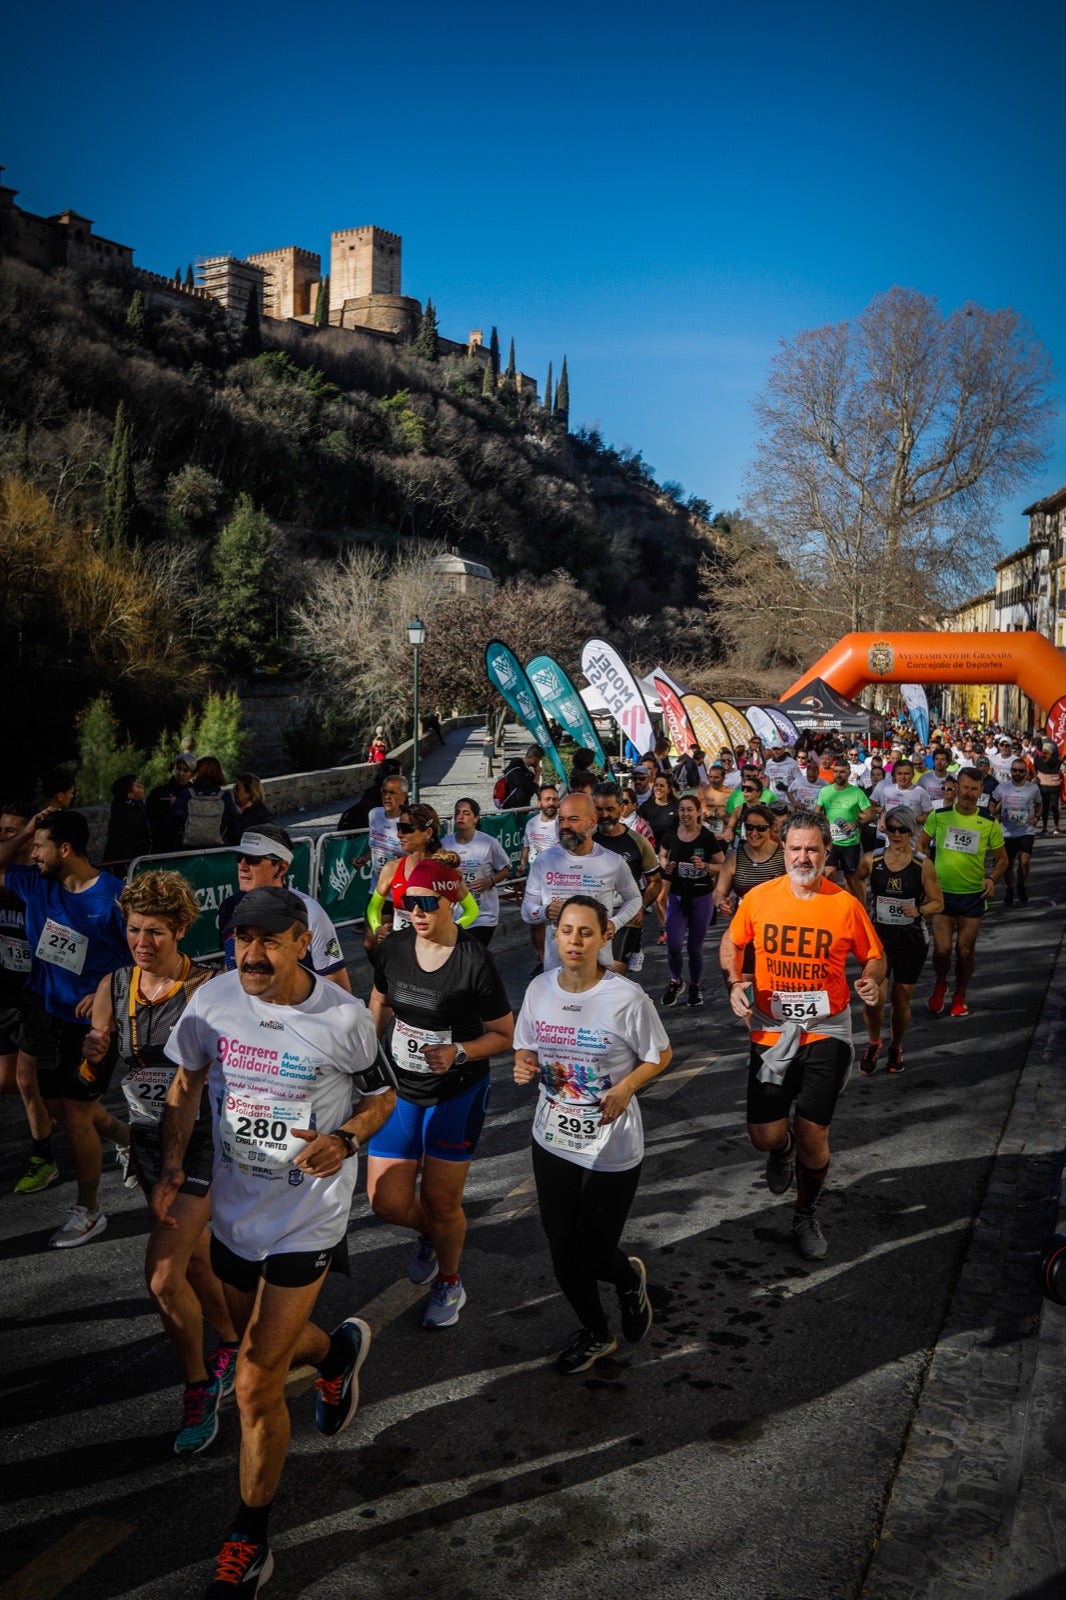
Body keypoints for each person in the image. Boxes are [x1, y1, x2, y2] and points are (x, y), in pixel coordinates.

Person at [155, 885, 395, 1598]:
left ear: (301, 942)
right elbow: (186, 1078)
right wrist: (172, 1164)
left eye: (268, 940)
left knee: (257, 1380)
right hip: (234, 1210)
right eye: (241, 939)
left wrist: (346, 1138)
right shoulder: (214, 1000)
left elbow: (382, 1097)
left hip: (306, 1214)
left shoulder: (343, 1018)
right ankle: (339, 1350)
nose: (252, 954)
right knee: (258, 1336)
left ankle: (250, 1541)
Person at [82, 870, 240, 1453]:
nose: (141, 942)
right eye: (133, 930)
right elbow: (93, 1079)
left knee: (163, 1274)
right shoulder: (113, 984)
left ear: (180, 932)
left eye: (155, 932)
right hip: (146, 1144)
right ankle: (231, 1343)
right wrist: (91, 1055)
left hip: (200, 1140)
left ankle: (199, 1387)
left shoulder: (208, 989)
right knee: (196, 1261)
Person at [513, 896, 672, 1374]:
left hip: (611, 1142)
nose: (574, 941)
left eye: (585, 932)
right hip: (554, 1134)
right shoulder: (539, 989)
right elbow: (526, 1045)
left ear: (605, 936)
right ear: (555, 935)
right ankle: (596, 1332)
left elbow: (660, 1054)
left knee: (594, 1250)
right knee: (562, 1247)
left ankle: (627, 1281)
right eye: (566, 931)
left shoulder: (625, 997)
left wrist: (625, 1087)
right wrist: (524, 1064)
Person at [719, 810, 885, 1261]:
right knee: (764, 1136)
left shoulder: (844, 903)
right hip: (771, 1030)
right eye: (795, 848)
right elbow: (732, 942)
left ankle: (805, 1212)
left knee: (815, 1134)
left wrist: (871, 979)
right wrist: (735, 981)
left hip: (826, 1029)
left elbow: (873, 955)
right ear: (784, 850)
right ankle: (782, 1149)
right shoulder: (758, 898)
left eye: (813, 848)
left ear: (826, 851)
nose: (803, 857)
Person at [367, 861, 514, 1329]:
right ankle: (433, 1236)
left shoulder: (475, 960)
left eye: (428, 903)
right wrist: (368, 1054)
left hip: (457, 1091)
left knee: (442, 1200)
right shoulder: (394, 947)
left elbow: (504, 1034)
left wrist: (460, 1052)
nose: (417, 911)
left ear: (451, 901)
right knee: (386, 1201)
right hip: (400, 1090)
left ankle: (449, 1281)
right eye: (409, 903)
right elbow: (380, 999)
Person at [0, 808, 130, 1245]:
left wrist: (106, 991)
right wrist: (29, 831)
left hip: (92, 1025)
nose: (32, 852)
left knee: (75, 1115)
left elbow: (145, 955)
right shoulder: (36, 883)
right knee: (58, 1110)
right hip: (45, 1012)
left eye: (40, 845)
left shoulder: (113, 898)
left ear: (67, 849)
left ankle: (90, 1209)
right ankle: (128, 1138)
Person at [853, 807, 943, 1074]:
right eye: (891, 828)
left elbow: (939, 902)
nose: (896, 834)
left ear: (911, 831)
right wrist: (861, 908)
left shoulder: (922, 864)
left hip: (911, 940)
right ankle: (873, 1042)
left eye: (902, 829)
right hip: (879, 941)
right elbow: (856, 878)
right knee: (873, 999)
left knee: (901, 999)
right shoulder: (872, 859)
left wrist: (920, 910)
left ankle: (896, 1046)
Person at [917, 767, 1008, 1017]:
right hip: (942, 894)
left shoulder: (988, 823)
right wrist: (927, 872)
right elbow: (922, 844)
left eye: (974, 789)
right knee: (942, 951)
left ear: (981, 793)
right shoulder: (940, 816)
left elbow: (1002, 859)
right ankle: (940, 984)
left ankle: (960, 994)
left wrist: (991, 879)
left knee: (965, 952)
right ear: (957, 787)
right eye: (965, 787)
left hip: (972, 896)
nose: (968, 793)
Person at [217, 827, 352, 991]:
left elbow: (335, 981)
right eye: (240, 857)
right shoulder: (229, 907)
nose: (242, 866)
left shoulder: (310, 911)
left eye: (253, 859)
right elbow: (230, 964)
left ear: (281, 868)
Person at [522, 794, 642, 976]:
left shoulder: (612, 861)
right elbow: (526, 910)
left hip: (597, 969)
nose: (565, 826)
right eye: (561, 819)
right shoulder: (544, 860)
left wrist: (615, 923)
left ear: (592, 822)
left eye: (573, 819)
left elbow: (634, 898)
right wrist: (544, 912)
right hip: (555, 970)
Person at [0, 801, 54, 1193]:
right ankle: (103, 1125)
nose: (5, 837)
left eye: (12, 830)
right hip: (5, 994)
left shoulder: (37, 880)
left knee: (25, 1080)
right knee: (8, 1081)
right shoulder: (3, 879)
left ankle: (44, 1157)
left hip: (37, 996)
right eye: (2, 831)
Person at [365, 803, 478, 958]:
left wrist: (452, 930)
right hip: (401, 950)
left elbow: (472, 910)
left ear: (427, 832)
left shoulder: (444, 869)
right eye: (398, 827)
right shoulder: (392, 869)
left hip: (434, 950)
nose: (399, 834)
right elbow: (373, 907)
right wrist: (378, 928)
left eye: (406, 829)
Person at [658, 793, 726, 1008]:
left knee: (694, 948)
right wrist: (665, 865)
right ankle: (675, 982)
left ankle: (695, 985)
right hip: (677, 896)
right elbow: (662, 855)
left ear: (698, 813)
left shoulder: (706, 837)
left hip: (701, 898)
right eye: (682, 810)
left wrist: (705, 866)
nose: (685, 814)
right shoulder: (670, 834)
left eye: (690, 810)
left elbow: (723, 866)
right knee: (674, 944)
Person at [592, 781, 660, 976]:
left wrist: (641, 905)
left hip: (624, 914)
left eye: (610, 809)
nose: (604, 815)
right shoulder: (587, 839)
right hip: (593, 914)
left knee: (613, 971)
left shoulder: (638, 841)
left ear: (622, 808)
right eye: (599, 809)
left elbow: (656, 880)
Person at [441, 798, 512, 945]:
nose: (460, 817)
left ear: (476, 818)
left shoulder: (488, 843)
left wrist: (489, 881)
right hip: (457, 913)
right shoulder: (446, 843)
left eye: (466, 813)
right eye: (457, 813)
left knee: (472, 955)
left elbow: (507, 869)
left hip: (483, 915)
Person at [817, 757, 877, 897]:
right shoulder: (825, 791)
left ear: (849, 773)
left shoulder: (856, 793)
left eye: (842, 772)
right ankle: (833, 903)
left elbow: (871, 815)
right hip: (831, 842)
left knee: (851, 879)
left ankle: (860, 908)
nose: (839, 774)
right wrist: (822, 827)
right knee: (828, 874)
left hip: (850, 842)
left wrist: (855, 824)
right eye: (836, 771)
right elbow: (817, 813)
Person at [520, 783, 560, 974]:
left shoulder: (562, 824)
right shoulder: (531, 823)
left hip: (556, 882)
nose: (551, 803)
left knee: (555, 922)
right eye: (547, 799)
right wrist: (521, 863)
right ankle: (543, 960)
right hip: (535, 881)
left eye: (554, 799)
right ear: (539, 803)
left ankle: (557, 961)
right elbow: (527, 845)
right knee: (535, 922)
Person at [992, 757, 1042, 906]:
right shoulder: (1003, 787)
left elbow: (1039, 804)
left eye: (1021, 771)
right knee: (1008, 864)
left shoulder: (1032, 788)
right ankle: (1009, 889)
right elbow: (992, 803)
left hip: (1026, 830)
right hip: (1007, 832)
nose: (1017, 773)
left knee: (1024, 861)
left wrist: (1037, 817)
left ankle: (1020, 883)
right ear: (1011, 771)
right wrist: (996, 815)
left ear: (1026, 772)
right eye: (1015, 770)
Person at [180, 757, 242, 850]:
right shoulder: (225, 797)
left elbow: (177, 818)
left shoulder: (187, 794)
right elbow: (234, 826)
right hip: (218, 850)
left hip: (189, 849)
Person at [147, 755, 197, 854]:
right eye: (178, 769)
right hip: (163, 844)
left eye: (185, 770)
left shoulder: (195, 794)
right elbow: (151, 816)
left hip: (187, 845)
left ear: (192, 774)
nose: (181, 773)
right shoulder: (159, 792)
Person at [103, 773, 152, 871]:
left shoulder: (137, 807)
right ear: (130, 795)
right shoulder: (126, 814)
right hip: (126, 863)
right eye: (138, 786)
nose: (142, 786)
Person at [494, 744, 542, 811]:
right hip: (513, 808)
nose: (539, 763)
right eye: (539, 760)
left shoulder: (526, 770)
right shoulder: (517, 770)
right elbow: (531, 789)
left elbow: (536, 789)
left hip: (520, 807)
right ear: (535, 759)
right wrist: (538, 774)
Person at [1034, 741, 1062, 835]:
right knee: (1055, 807)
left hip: (1043, 785)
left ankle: (1045, 827)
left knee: (1045, 807)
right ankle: (1056, 827)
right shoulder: (1057, 760)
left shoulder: (1038, 759)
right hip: (1055, 785)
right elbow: (1060, 770)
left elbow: (1035, 769)